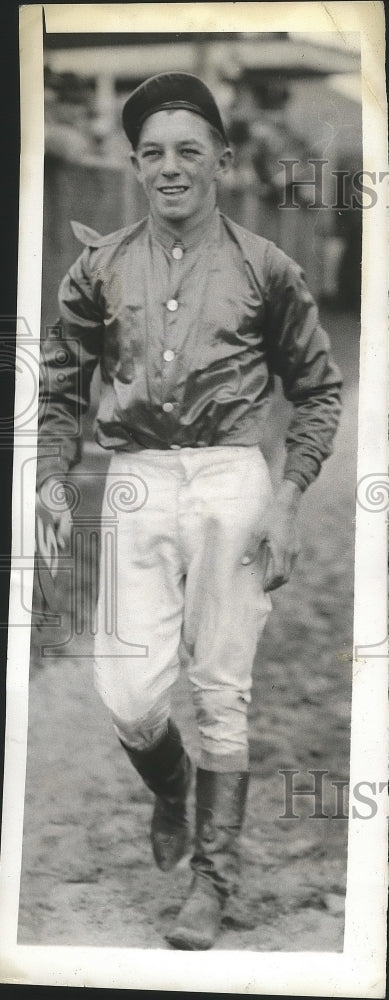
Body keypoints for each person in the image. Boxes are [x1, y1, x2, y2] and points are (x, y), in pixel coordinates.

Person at [37, 72, 343, 950]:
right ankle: (170, 788)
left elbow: (317, 391)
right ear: (135, 165)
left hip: (229, 481)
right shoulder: (97, 267)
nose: (170, 168)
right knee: (128, 691)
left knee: (221, 688)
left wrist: (286, 501)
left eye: (187, 150)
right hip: (133, 477)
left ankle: (213, 882)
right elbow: (59, 388)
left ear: (221, 158)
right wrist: (52, 479)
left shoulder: (264, 264)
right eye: (152, 154)